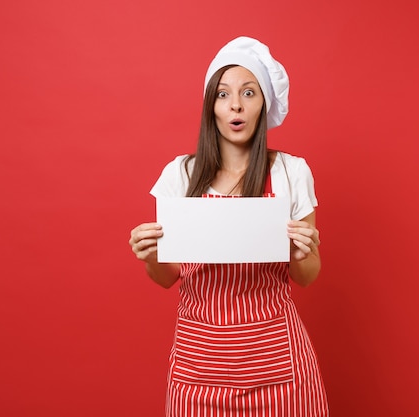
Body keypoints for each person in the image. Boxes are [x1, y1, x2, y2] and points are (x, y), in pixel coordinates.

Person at [129, 36, 329, 417]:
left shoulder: (290, 172)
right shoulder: (180, 175)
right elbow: (166, 277)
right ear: (211, 107)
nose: (235, 104)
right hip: (198, 368)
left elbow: (306, 276)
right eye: (223, 95)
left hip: (277, 369)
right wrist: (151, 256)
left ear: (263, 104)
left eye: (248, 92)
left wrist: (302, 251)